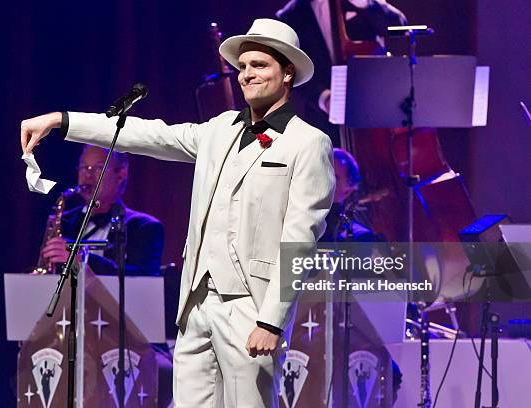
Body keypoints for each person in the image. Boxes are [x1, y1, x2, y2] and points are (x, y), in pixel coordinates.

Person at [21, 19, 335, 407]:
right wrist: (62, 121)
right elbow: (147, 135)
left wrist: (271, 319)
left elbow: (299, 241)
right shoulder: (220, 130)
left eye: (260, 66)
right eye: (244, 66)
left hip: (250, 308)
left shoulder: (308, 143)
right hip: (196, 305)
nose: (247, 75)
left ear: (288, 73)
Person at [277, 0, 407, 139]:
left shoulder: (363, 2)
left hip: (377, 111)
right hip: (325, 121)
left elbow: (400, 27)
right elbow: (292, 71)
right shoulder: (289, 16)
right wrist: (324, 98)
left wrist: (364, 4)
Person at [41, 145, 164, 276]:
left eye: (99, 168)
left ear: (121, 175)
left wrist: (83, 260)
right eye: (84, 167)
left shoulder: (145, 227)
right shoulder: (63, 222)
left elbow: (146, 280)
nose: (87, 175)